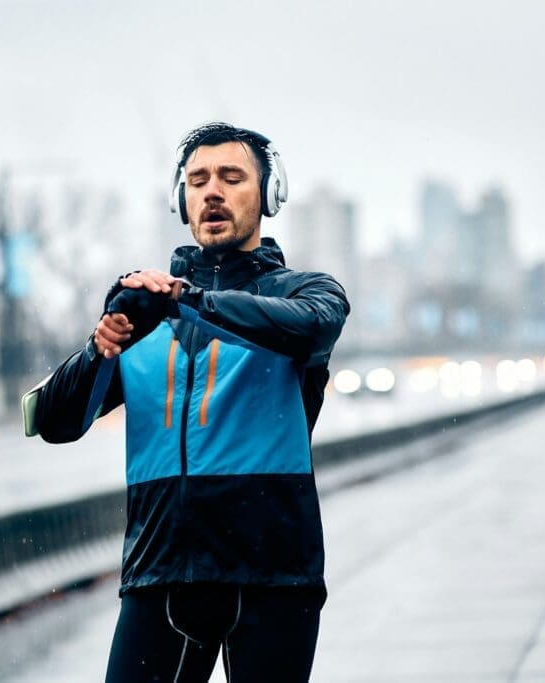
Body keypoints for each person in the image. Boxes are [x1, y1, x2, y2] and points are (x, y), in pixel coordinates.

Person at [25, 122, 350, 682]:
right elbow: (54, 423)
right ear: (181, 199)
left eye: (232, 177)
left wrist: (191, 301)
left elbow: (310, 329)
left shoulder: (303, 292)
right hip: (161, 573)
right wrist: (100, 349)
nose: (213, 192)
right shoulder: (147, 311)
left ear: (269, 194)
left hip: (272, 575)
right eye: (197, 180)